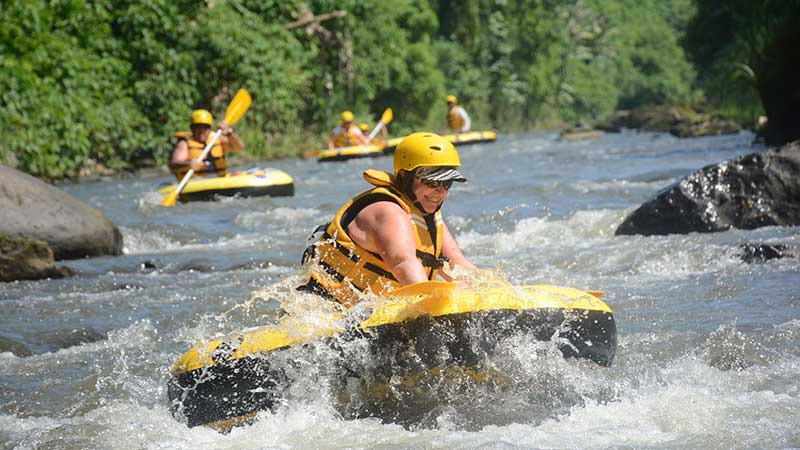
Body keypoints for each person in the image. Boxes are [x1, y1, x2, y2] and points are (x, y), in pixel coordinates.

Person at [300, 132, 477, 307]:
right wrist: (434, 308)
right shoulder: (388, 212)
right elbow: (404, 265)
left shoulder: (428, 217)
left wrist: (483, 293)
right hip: (324, 311)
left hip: (363, 313)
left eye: (447, 183)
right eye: (432, 182)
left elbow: (458, 266)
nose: (440, 191)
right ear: (405, 177)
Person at [169, 109, 244, 180]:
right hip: (197, 181)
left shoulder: (216, 138)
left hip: (219, 180)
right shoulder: (184, 143)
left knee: (238, 174)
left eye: (205, 127)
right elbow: (173, 165)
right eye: (197, 127)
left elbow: (239, 147)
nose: (201, 131)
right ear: (192, 129)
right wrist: (188, 164)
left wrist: (230, 134)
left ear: (210, 129)